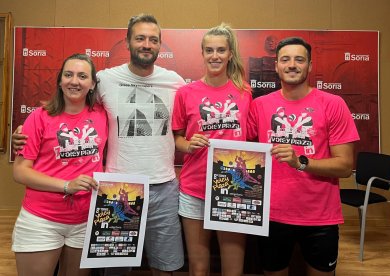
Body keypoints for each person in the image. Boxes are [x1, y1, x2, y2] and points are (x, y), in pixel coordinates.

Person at [12, 14, 185, 276]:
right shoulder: (104, 79)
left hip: (164, 188)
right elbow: (69, 104)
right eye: (139, 38)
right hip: (116, 188)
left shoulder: (175, 82)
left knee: (166, 266)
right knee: (115, 268)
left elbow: (185, 129)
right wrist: (25, 131)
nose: (146, 44)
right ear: (127, 42)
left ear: (160, 45)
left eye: (153, 39)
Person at [247, 37, 360, 276]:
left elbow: (345, 166)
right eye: (285, 59)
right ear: (276, 66)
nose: (292, 65)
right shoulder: (259, 105)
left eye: (299, 59)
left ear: (309, 66)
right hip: (271, 214)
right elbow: (239, 148)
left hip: (320, 217)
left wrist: (301, 162)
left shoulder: (333, 104)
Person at [11, 53, 108, 276]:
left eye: (82, 76)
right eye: (68, 74)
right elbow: (20, 171)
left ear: (92, 84)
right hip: (42, 219)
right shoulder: (39, 117)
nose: (74, 81)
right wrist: (67, 185)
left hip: (85, 219)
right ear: (59, 80)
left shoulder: (104, 116)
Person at [172, 23, 252, 276]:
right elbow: (177, 139)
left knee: (233, 267)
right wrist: (188, 144)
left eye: (220, 50)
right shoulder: (186, 92)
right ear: (202, 53)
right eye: (209, 50)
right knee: (198, 267)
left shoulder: (244, 92)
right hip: (194, 187)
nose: (214, 56)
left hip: (234, 188)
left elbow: (253, 140)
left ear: (230, 54)